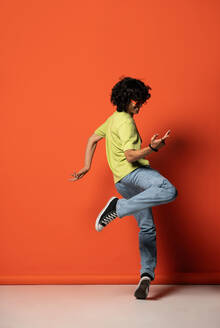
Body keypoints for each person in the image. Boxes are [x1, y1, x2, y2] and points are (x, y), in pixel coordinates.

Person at [69, 76, 178, 299]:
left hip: (122, 182)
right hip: (135, 175)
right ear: (128, 99)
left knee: (146, 228)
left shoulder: (112, 119)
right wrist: (152, 148)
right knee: (169, 190)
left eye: (140, 101)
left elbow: (92, 139)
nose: (139, 105)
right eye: (137, 100)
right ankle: (117, 208)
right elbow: (130, 156)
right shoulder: (126, 122)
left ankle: (145, 276)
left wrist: (86, 166)